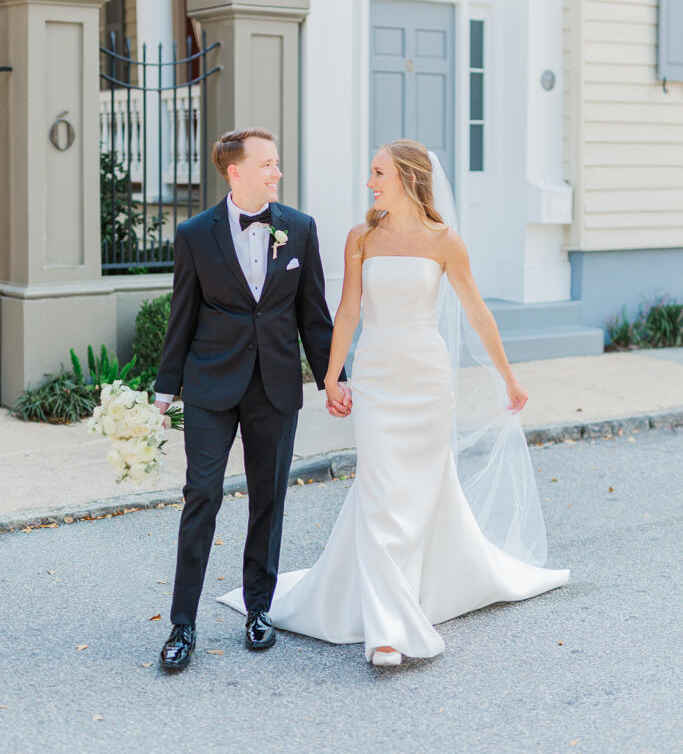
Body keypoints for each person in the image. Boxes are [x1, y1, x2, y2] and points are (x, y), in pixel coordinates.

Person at [218, 139, 569, 666]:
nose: (369, 182)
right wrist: (331, 377)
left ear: (407, 177)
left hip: (426, 380)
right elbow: (348, 312)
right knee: (382, 495)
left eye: (378, 173)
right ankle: (385, 631)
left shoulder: (446, 241)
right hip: (378, 379)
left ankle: (416, 590)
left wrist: (509, 380)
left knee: (420, 494)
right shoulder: (361, 237)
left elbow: (477, 313)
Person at [155, 127, 350, 671]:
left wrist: (332, 378)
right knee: (202, 495)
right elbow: (182, 314)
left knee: (269, 499)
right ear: (235, 171)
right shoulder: (195, 233)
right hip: (210, 386)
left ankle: (258, 609)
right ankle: (182, 624)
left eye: (277, 163)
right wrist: (165, 390)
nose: (277, 172)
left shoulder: (300, 228)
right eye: (267, 164)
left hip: (275, 386)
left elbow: (314, 313)